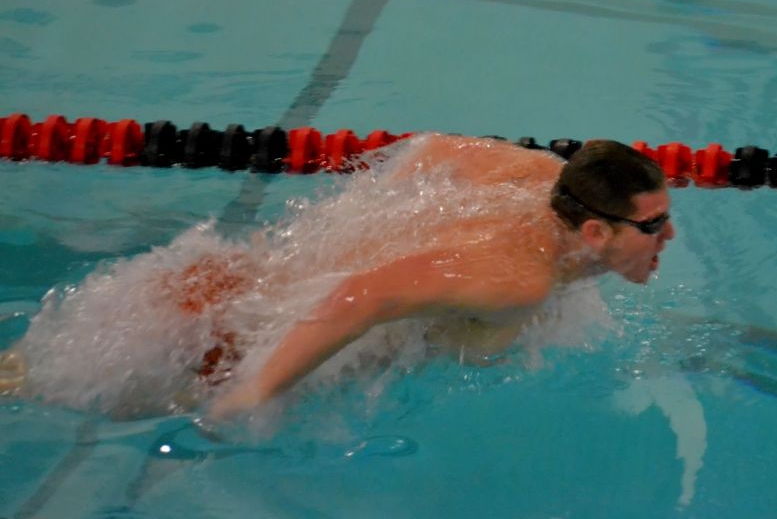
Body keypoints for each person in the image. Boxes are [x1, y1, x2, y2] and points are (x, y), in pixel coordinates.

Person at [209, 133, 675, 419]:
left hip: (242, 280)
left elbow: (433, 147)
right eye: (652, 226)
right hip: (224, 347)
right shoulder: (518, 279)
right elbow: (360, 295)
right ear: (594, 231)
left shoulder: (548, 178)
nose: (669, 234)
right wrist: (253, 394)